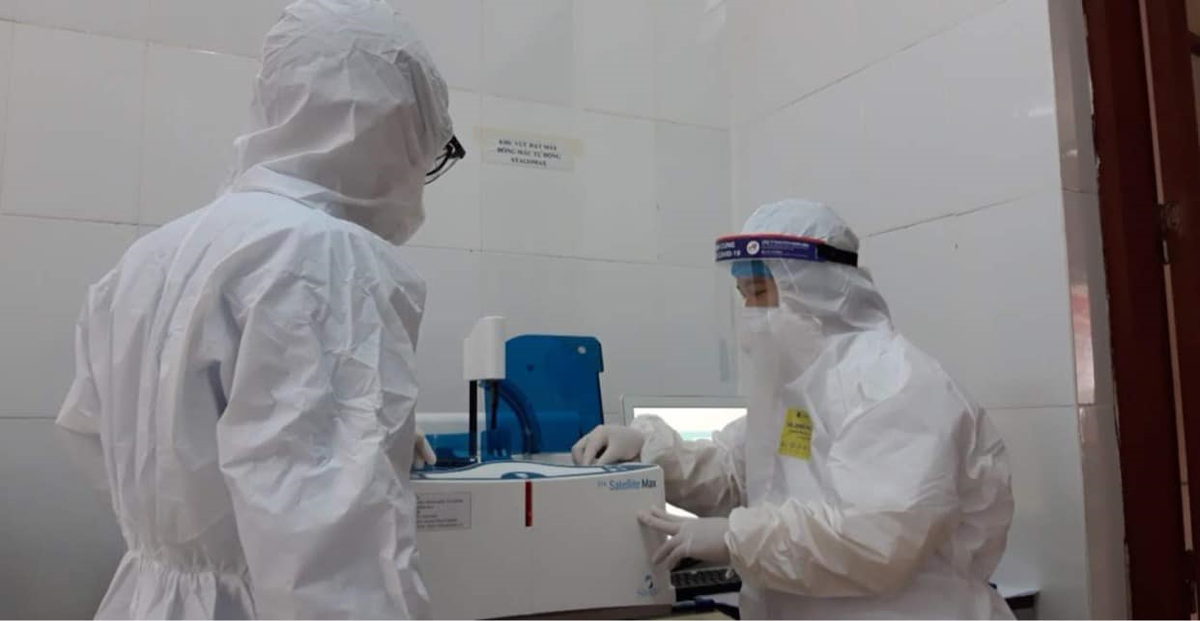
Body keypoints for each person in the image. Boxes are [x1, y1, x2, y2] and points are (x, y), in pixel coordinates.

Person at [54, 0, 457, 617]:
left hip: (145, 595)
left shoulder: (149, 257)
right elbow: (334, 567)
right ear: (392, 125)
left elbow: (90, 430)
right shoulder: (326, 259)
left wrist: (198, 521)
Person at [573, 199, 1014, 619]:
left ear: (814, 287)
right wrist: (650, 450)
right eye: (743, 294)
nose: (749, 311)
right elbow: (737, 473)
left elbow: (875, 540)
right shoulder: (796, 389)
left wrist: (735, 538)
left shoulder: (896, 385)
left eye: (759, 292)